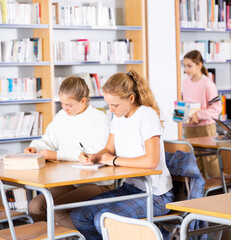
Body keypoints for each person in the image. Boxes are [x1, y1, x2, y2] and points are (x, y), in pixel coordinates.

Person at [71, 69, 173, 240]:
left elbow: (151, 161)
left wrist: (115, 161)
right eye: (108, 104)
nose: (111, 110)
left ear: (131, 99)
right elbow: (108, 150)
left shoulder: (146, 116)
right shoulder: (118, 117)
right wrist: (94, 156)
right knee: (80, 215)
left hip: (156, 195)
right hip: (131, 188)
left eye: (115, 105)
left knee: (103, 220)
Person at [25, 76, 112, 229]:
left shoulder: (99, 118)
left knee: (58, 208)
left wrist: (58, 155)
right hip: (70, 181)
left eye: (69, 105)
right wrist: (35, 148)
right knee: (35, 206)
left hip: (97, 182)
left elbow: (96, 154)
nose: (65, 108)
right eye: (62, 103)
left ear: (83, 101)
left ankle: (80, 237)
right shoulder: (62, 116)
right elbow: (48, 141)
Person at [182, 50, 222, 178]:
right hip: (190, 128)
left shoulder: (208, 84)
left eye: (189, 66)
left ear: (199, 65)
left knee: (210, 162)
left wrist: (199, 115)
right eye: (185, 66)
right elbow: (186, 103)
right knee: (195, 163)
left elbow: (216, 109)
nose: (186, 69)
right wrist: (180, 113)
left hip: (206, 128)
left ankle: (217, 193)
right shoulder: (185, 83)